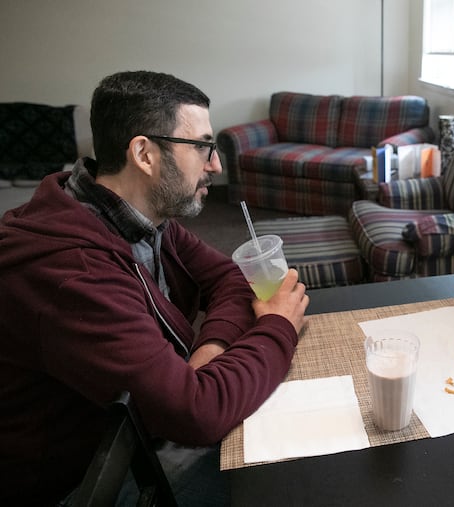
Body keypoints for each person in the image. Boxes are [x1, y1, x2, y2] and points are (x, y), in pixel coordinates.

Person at [0, 70, 309, 505]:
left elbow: (230, 280)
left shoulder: (137, 217)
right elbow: (196, 414)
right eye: (202, 146)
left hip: (145, 425)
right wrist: (276, 325)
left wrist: (210, 349)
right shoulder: (71, 273)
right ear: (144, 154)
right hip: (88, 481)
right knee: (288, 467)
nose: (215, 164)